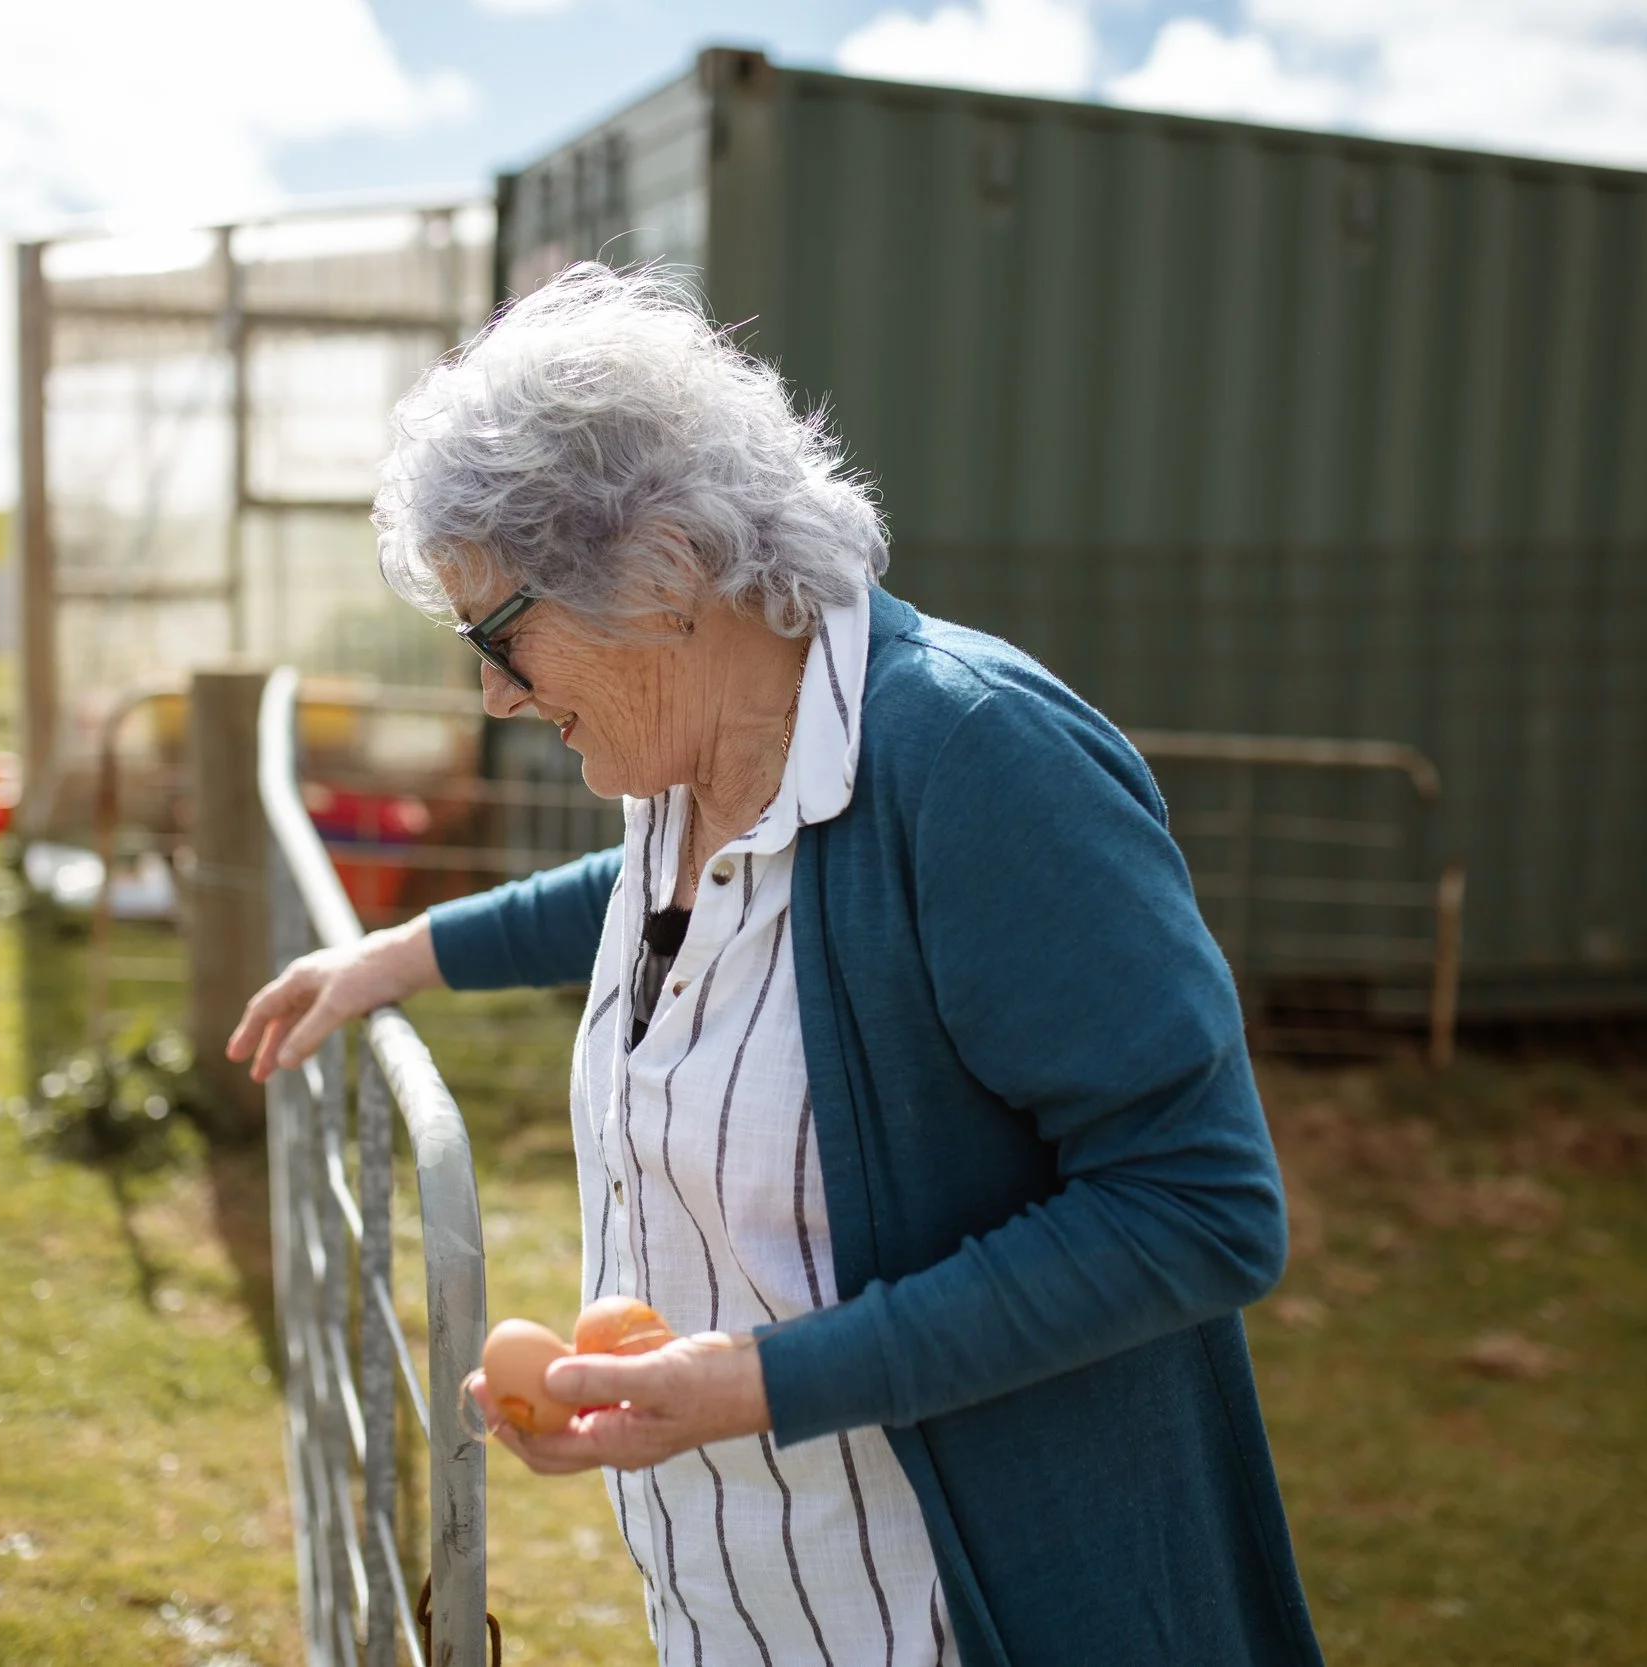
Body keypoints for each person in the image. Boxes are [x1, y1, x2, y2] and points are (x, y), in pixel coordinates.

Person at [228, 264, 1324, 1667]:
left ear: (667, 570)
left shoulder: (979, 764)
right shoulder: (688, 769)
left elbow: (1201, 1205)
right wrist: (404, 952)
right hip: (741, 1607)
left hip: (950, 1618)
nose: (493, 691)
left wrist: (755, 1383)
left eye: (501, 635)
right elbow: (647, 903)